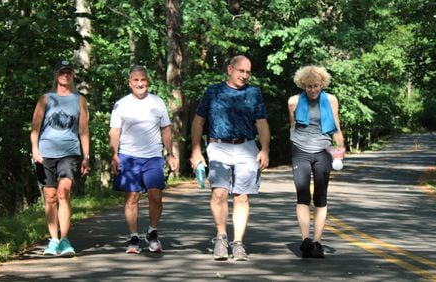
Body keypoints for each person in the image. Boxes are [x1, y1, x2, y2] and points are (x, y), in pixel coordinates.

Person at [190, 55, 270, 261]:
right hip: (218, 146)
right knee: (219, 193)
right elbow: (199, 122)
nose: (244, 75)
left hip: (246, 146)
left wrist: (265, 149)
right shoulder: (213, 91)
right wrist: (196, 151)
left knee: (242, 196)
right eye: (241, 71)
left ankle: (238, 243)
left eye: (248, 72)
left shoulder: (254, 93)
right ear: (230, 69)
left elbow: (261, 123)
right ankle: (221, 237)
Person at [109, 65, 178, 254]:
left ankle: (152, 233)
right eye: (136, 80)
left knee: (156, 196)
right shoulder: (121, 104)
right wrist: (114, 154)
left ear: (147, 82)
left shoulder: (157, 102)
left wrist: (170, 153)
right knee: (132, 198)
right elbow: (115, 131)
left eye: (143, 80)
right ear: (130, 83)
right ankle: (133, 237)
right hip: (129, 157)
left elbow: (166, 129)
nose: (140, 84)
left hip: (153, 157)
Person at [30, 59, 90, 257]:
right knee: (50, 196)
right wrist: (35, 150)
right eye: (62, 72)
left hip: (70, 152)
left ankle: (64, 240)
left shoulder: (79, 100)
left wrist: (85, 156)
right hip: (46, 152)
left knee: (64, 192)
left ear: (72, 76)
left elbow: (83, 130)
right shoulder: (45, 99)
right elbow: (35, 128)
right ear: (56, 75)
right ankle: (53, 240)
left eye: (69, 72)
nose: (65, 75)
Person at [287, 65, 345, 258]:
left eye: (316, 86)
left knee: (320, 197)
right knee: (302, 194)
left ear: (322, 84)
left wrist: (339, 150)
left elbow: (336, 126)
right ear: (302, 85)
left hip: (323, 151)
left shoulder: (331, 100)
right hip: (300, 150)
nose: (312, 90)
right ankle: (306, 241)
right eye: (308, 86)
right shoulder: (294, 102)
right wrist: (294, 146)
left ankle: (318, 242)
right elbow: (293, 127)